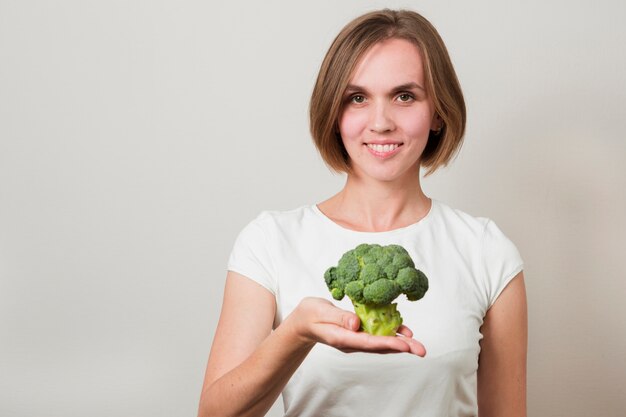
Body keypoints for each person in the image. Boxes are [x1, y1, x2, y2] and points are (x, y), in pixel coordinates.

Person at [198, 9, 527, 417]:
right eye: (357, 98)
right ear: (335, 115)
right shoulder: (269, 242)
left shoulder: (487, 251)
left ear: (438, 111)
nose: (381, 122)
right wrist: (297, 334)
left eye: (404, 96)